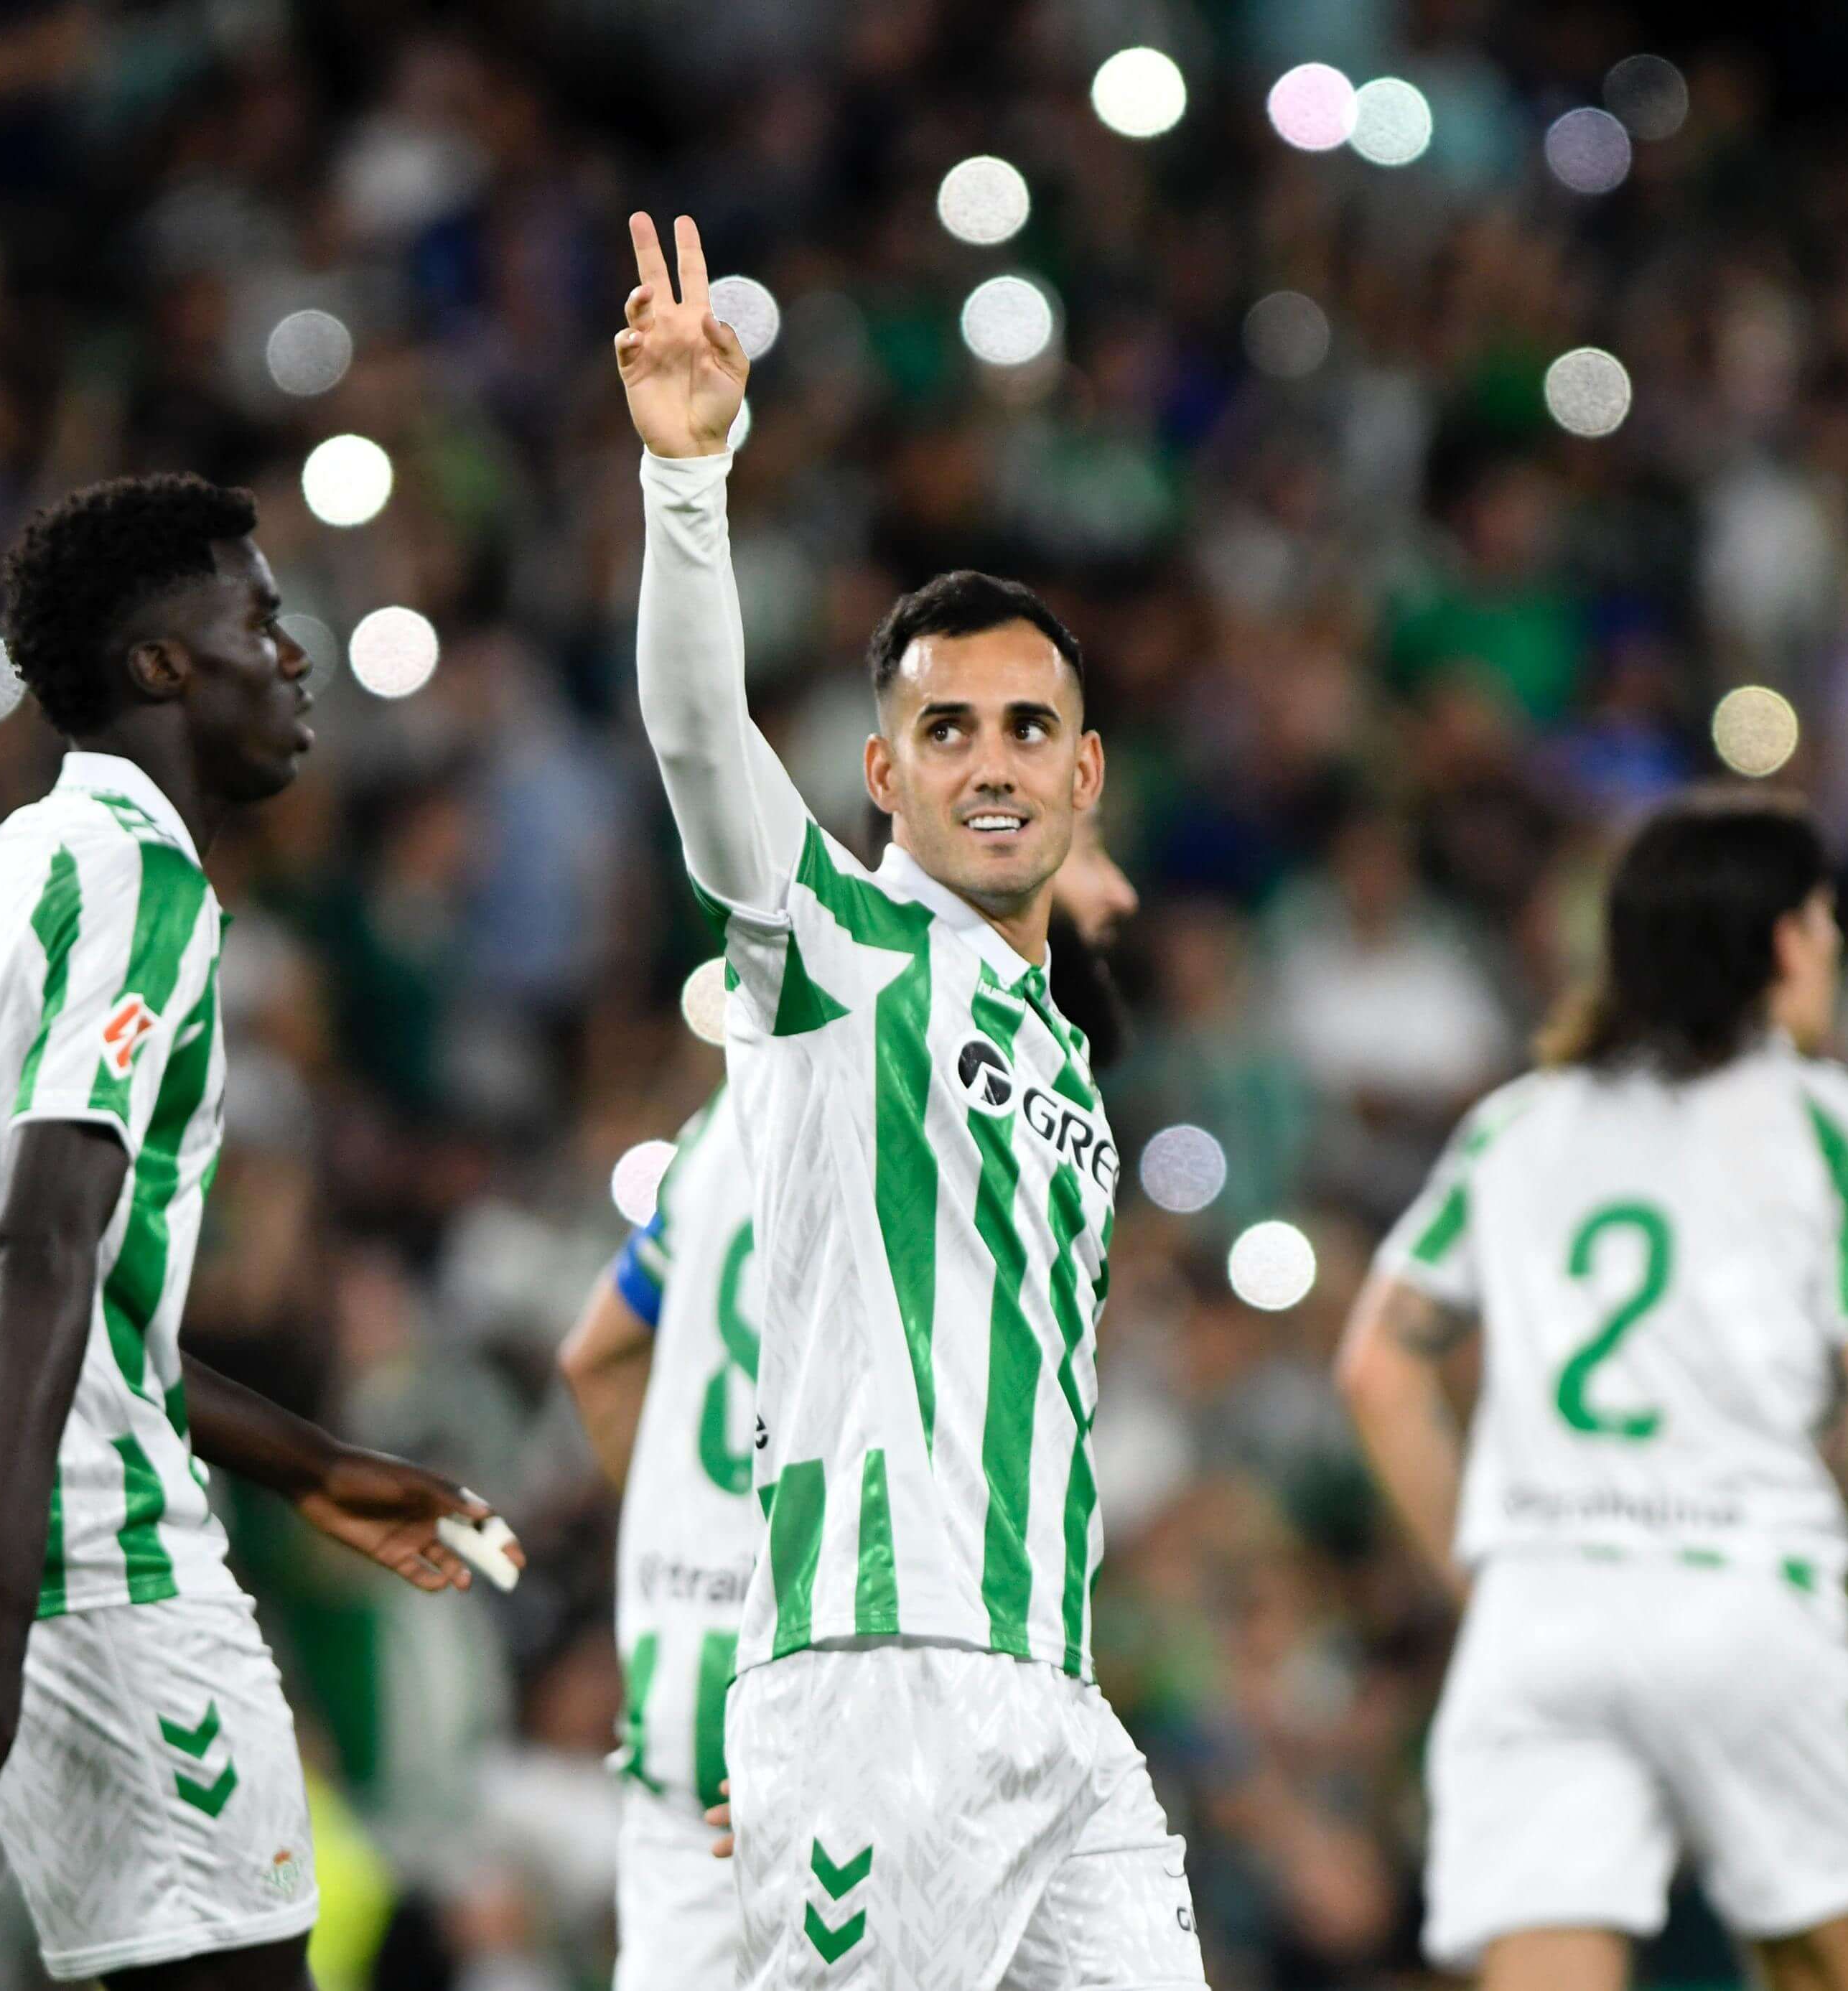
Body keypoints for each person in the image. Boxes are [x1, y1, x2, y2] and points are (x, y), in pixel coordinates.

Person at [0, 475, 519, 1991]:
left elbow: (49, 1301)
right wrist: (7, 1589)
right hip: (64, 1546)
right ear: (164, 664)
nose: (293, 660)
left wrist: (311, 1465)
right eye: (262, 621)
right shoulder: (141, 877)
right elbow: (42, 1238)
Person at [614, 210, 1206, 1991]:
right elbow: (705, 750)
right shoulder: (840, 948)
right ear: (883, 773)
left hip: (1050, 1684)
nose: (994, 762)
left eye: (1029, 728)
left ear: (1086, 773)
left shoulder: (1063, 1059)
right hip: (883, 1661)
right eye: (946, 731)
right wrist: (689, 483)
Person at [1335, 788, 1848, 1991]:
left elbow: (1376, 1363)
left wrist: (1484, 1566)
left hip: (1543, 1609)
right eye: (1821, 924)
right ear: (1779, 943)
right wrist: (1839, 1556)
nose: (1831, 951)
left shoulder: (1517, 1125)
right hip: (1746, 1589)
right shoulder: (1832, 1121)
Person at [556, 816, 1140, 1991]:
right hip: (845, 1682)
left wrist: (707, 1556)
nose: (1118, 895)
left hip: (683, 1690)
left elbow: (598, 1356)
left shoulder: (732, 1112)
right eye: (1090, 852)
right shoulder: (935, 1103)